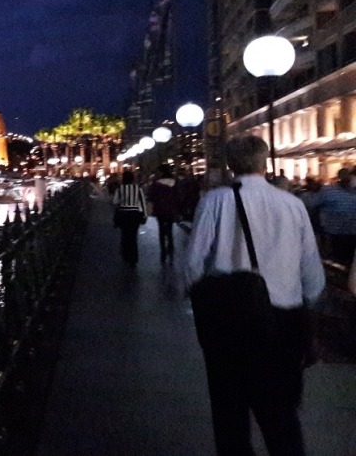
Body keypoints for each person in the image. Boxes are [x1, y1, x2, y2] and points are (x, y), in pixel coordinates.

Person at [183, 136, 325, 456]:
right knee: (281, 415)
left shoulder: (214, 201)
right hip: (282, 319)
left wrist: (199, 297)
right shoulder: (293, 204)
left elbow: (193, 263)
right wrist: (307, 318)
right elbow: (312, 273)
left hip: (230, 320)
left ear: (230, 165)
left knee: (230, 414)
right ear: (265, 163)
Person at [306, 167, 356, 266]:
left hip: (351, 232)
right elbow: (313, 204)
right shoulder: (328, 191)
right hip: (333, 232)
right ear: (340, 178)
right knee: (336, 260)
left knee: (349, 260)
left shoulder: (354, 191)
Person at [146, 163, 180, 264]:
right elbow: (179, 196)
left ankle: (163, 251)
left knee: (161, 230)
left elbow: (151, 196)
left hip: (160, 210)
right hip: (171, 209)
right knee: (169, 229)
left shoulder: (156, 184)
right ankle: (171, 246)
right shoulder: (175, 183)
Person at [112, 169, 147, 265]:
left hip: (123, 214)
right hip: (134, 214)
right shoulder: (138, 189)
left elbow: (115, 202)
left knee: (125, 235)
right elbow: (143, 202)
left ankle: (126, 256)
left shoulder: (120, 189)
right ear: (132, 179)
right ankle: (133, 258)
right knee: (133, 236)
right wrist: (144, 215)